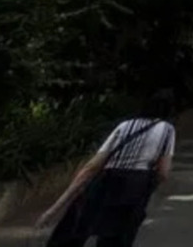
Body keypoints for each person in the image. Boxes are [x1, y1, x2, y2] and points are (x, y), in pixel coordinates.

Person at [39, 92, 177, 247]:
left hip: (104, 182)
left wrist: (54, 209)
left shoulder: (125, 126)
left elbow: (92, 166)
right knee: (117, 237)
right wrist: (149, 187)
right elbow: (163, 172)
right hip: (134, 188)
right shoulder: (167, 130)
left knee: (76, 229)